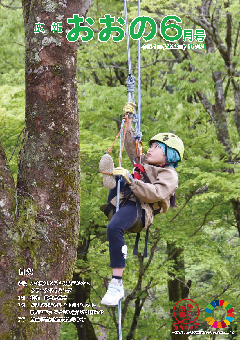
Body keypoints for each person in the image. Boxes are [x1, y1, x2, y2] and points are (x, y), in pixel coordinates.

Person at [99, 114, 184, 306]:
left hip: (140, 211)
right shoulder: (144, 163)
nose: (151, 149)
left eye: (156, 147)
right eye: (152, 146)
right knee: (121, 178)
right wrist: (128, 121)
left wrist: (131, 180)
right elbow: (132, 147)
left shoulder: (170, 175)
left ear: (168, 154)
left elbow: (155, 193)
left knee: (114, 228)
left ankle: (116, 283)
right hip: (122, 201)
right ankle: (113, 181)